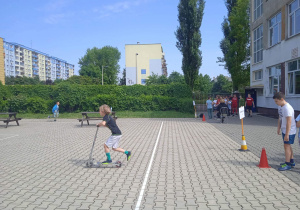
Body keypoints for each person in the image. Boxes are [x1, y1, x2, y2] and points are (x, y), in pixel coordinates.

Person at [273, 92, 296, 171]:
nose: (276, 103)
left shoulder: (287, 108)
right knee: (287, 146)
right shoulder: (280, 106)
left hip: (290, 131)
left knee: (287, 146)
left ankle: (288, 164)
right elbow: (280, 117)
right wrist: (278, 127)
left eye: (276, 101)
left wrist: (287, 134)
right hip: (284, 129)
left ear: (282, 99)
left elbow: (289, 122)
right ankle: (291, 161)